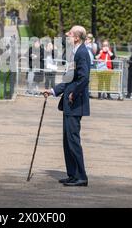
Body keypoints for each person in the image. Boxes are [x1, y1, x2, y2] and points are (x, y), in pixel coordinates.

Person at [44, 26, 90, 187]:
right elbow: (69, 79)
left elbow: (84, 78)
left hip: (75, 103)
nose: (67, 35)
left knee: (73, 140)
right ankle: (72, 174)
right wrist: (52, 91)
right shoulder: (74, 52)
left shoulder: (82, 53)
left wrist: (73, 94)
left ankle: (81, 176)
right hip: (69, 104)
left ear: (77, 38)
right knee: (67, 140)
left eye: (70, 33)